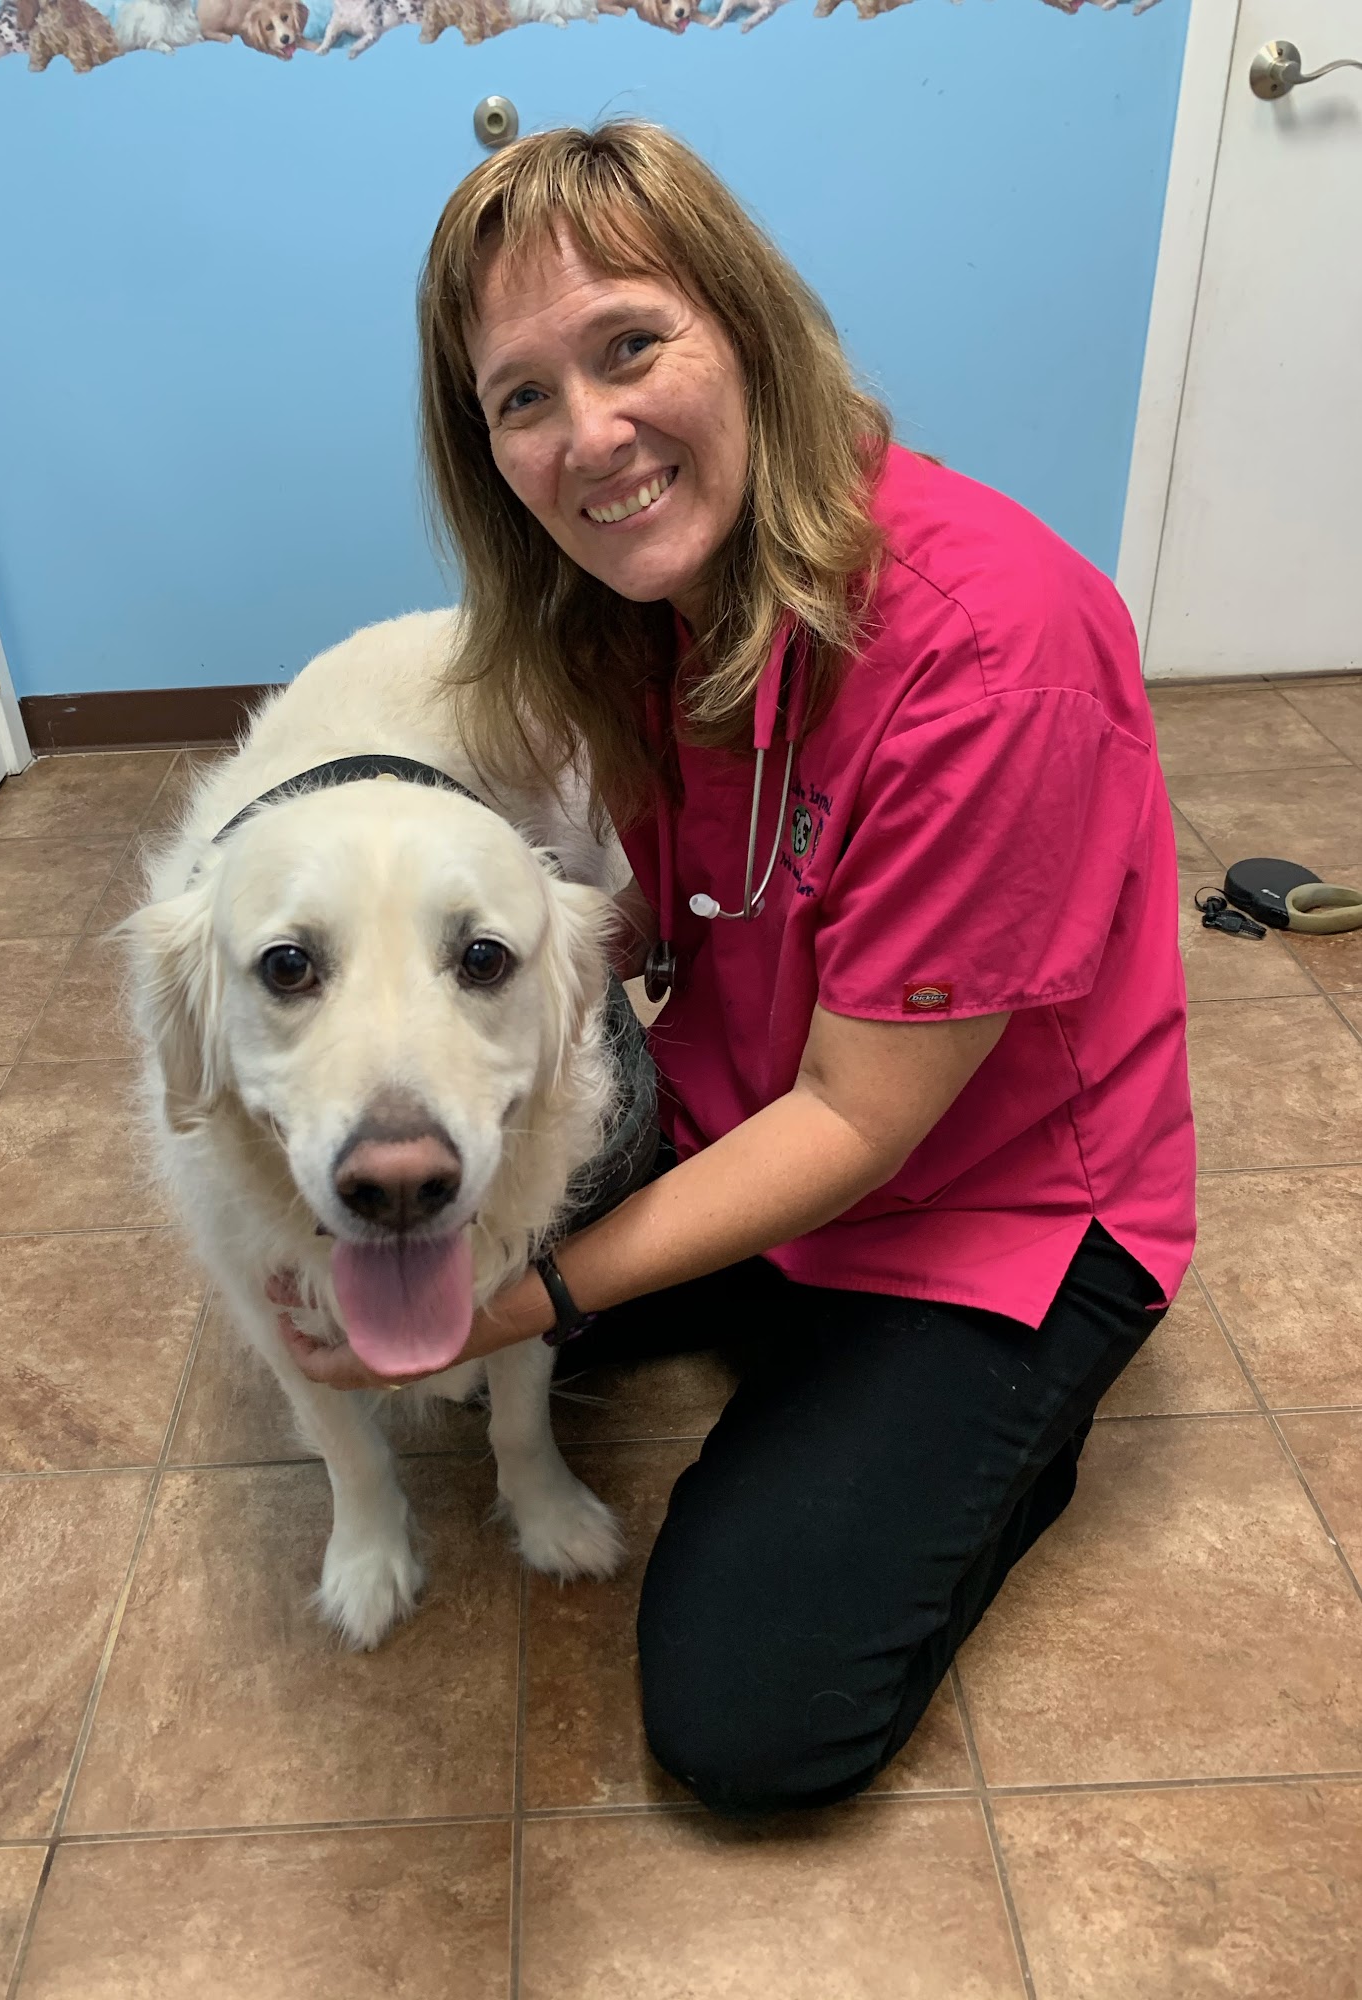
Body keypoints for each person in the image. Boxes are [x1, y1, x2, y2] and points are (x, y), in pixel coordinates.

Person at [274, 121, 1196, 1817]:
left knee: (753, 1721)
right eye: (523, 396)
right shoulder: (640, 609)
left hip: (989, 1215)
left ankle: (1005, 1436)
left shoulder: (995, 652)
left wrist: (530, 1294)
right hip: (750, 1112)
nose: (589, 435)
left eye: (631, 346)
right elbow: (668, 900)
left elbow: (859, 1123)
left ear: (750, 329)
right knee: (445, 1321)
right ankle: (794, 1347)